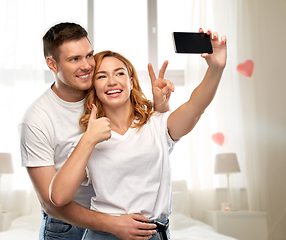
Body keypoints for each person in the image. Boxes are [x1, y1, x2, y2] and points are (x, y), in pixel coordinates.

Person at [49, 28, 227, 240]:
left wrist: (215, 68)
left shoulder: (158, 124)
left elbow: (195, 107)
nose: (112, 81)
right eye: (102, 76)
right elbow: (58, 197)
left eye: (120, 73)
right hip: (104, 235)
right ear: (93, 87)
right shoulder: (87, 137)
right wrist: (89, 139)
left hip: (154, 233)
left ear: (131, 82)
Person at [19, 22, 174, 240]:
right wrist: (111, 224)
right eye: (74, 59)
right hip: (67, 226)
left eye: (89, 55)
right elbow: (50, 202)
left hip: (120, 220)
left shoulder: (107, 90)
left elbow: (150, 146)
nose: (87, 66)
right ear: (52, 65)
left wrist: (161, 107)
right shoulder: (37, 120)